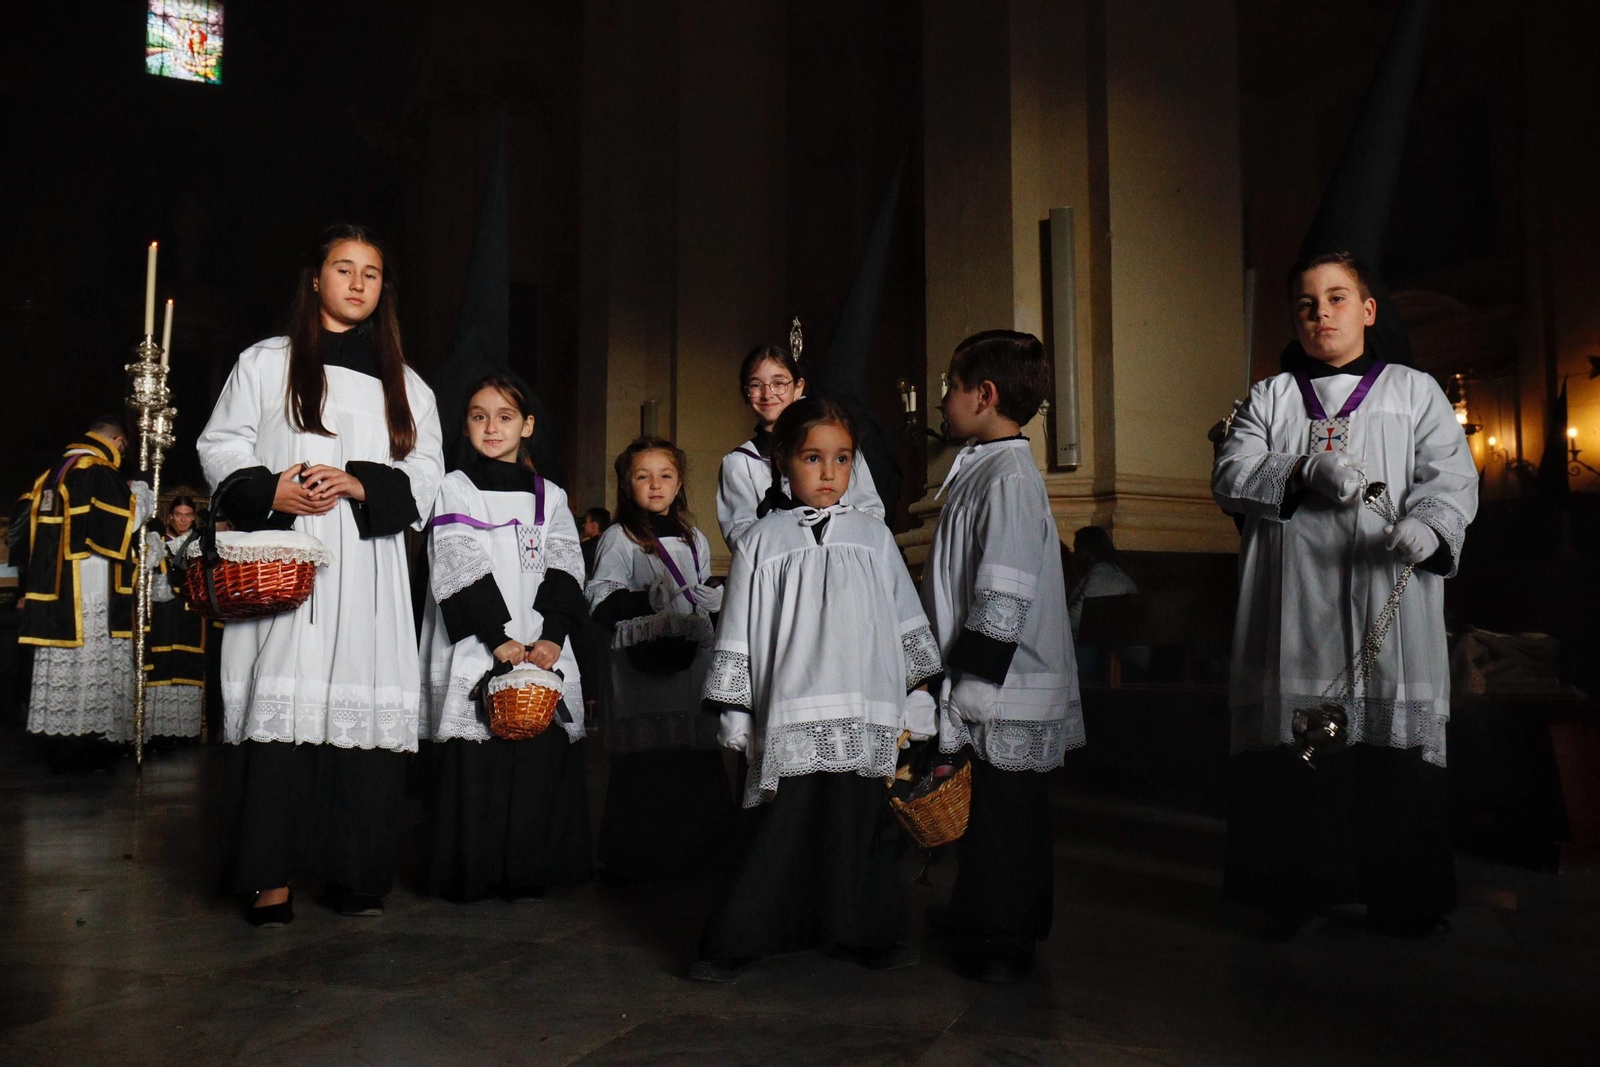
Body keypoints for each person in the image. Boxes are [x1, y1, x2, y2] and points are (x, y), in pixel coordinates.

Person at [1212, 251, 1477, 939]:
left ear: (1367, 311)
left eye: (1336, 299)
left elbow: (1450, 473)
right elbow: (1231, 476)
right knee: (1296, 751)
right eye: (1307, 303)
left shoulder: (1414, 392)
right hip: (1291, 599)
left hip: (1385, 587)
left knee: (1391, 749)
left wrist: (1431, 523)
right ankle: (1294, 890)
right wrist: (1303, 466)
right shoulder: (1269, 397)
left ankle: (1404, 898)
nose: (1321, 313)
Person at [197, 224, 444, 926]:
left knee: (359, 707)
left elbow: (426, 473)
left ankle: (355, 873)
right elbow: (221, 442)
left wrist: (363, 483)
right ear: (316, 278)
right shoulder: (266, 362)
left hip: (367, 564)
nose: (358, 283)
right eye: (344, 268)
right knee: (282, 702)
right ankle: (266, 879)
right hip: (287, 556)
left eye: (371, 272)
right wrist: (268, 491)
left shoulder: (408, 384)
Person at [692, 395, 942, 982]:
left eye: (843, 458)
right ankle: (740, 938)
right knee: (779, 829)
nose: (830, 473)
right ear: (783, 459)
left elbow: (902, 618)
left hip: (863, 704)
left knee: (858, 825)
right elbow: (739, 631)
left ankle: (864, 933)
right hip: (789, 708)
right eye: (813, 457)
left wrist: (916, 696)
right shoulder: (760, 541)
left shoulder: (874, 537)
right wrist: (736, 710)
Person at [920, 330, 1083, 981]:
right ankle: (986, 914)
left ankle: (1003, 938)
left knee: (1005, 814)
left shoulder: (1009, 476)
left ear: (984, 396)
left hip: (1005, 676)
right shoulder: (986, 464)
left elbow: (1004, 589)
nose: (941, 400)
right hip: (989, 670)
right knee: (992, 810)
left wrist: (973, 687)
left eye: (951, 387)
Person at [418, 374, 593, 902]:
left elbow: (566, 562)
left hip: (540, 640)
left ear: (528, 425)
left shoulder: (552, 496)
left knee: (537, 751)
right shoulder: (454, 487)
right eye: (478, 415)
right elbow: (455, 559)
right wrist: (497, 639)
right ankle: (473, 872)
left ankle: (529, 870)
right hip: (477, 637)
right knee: (477, 756)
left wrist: (553, 637)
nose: (491, 426)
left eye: (504, 416)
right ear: (464, 425)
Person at [585, 437, 733, 882]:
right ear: (627, 484)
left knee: (691, 756)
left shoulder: (694, 536)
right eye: (642, 476)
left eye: (665, 475)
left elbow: (701, 592)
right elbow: (600, 599)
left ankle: (698, 853)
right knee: (647, 764)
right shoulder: (619, 536)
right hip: (642, 669)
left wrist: (714, 598)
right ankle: (640, 860)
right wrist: (645, 601)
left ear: (680, 482)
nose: (655, 485)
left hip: (690, 665)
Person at [13, 416, 148, 770]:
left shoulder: (50, 474)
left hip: (53, 586)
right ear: (117, 442)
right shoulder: (97, 469)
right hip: (89, 585)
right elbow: (118, 527)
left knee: (66, 671)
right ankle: (87, 748)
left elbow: (22, 535)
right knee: (91, 664)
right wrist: (143, 499)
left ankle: (59, 746)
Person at [716, 344, 885, 550]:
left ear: (798, 387)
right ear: (745, 393)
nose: (767, 394)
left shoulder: (839, 446)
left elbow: (871, 511)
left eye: (779, 383)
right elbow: (741, 538)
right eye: (755, 385)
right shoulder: (740, 462)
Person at [144, 494, 206, 741]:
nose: (183, 519)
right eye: (178, 515)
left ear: (194, 517)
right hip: (164, 611)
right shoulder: (159, 540)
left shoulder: (201, 542)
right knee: (162, 662)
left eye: (188, 515)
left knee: (187, 664)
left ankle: (184, 733)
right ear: (170, 516)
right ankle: (157, 731)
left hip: (191, 614)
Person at [578, 506, 610, 578]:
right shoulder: (611, 544)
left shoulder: (586, 547)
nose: (583, 525)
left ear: (594, 526)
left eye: (585, 522)